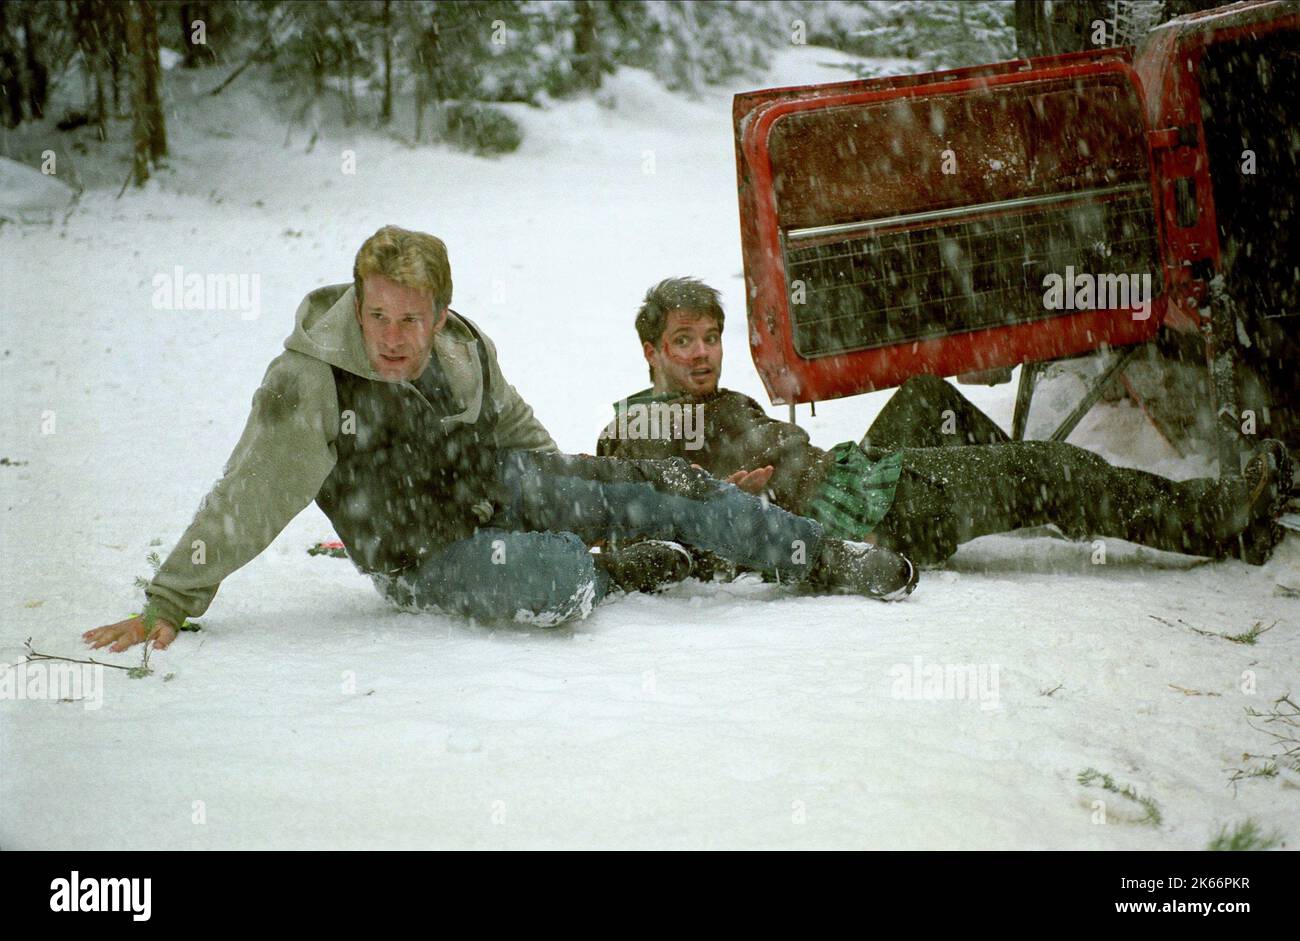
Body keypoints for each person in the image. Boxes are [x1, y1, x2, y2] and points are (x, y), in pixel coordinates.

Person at [83, 230, 918, 655]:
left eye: (411, 318)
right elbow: (248, 492)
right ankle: (610, 571)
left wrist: (591, 493)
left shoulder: (460, 347)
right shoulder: (309, 382)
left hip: (492, 481)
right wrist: (170, 599)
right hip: (421, 550)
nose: (392, 336)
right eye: (377, 315)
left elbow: (522, 434)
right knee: (554, 575)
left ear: (439, 314)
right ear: (356, 302)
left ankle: (823, 557)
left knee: (660, 479)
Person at [596, 277, 1293, 577]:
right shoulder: (648, 424)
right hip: (871, 514)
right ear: (650, 351)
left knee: (928, 393)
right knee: (1048, 466)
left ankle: (1041, 496)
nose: (701, 353)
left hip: (849, 472)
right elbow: (665, 528)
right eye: (682, 340)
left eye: (711, 337)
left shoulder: (705, 404)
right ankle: (1215, 517)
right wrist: (735, 501)